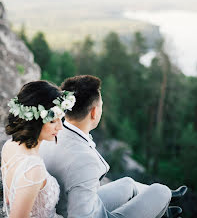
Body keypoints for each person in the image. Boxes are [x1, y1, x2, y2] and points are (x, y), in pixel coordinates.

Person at [40, 75, 185, 218]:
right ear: (94, 112)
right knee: (160, 191)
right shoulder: (85, 160)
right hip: (82, 211)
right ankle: (163, 203)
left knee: (128, 184)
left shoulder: (52, 134)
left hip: (71, 202)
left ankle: (165, 206)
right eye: (101, 106)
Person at [1, 80, 76, 218]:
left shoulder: (9, 146)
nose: (60, 127)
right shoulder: (33, 169)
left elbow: (8, 199)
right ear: (35, 121)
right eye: (53, 121)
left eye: (61, 119)